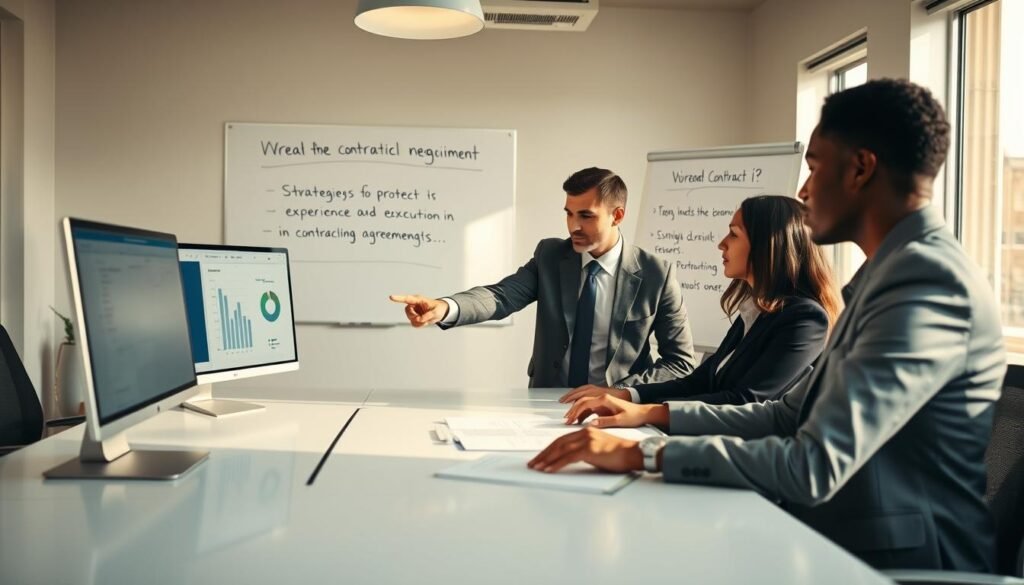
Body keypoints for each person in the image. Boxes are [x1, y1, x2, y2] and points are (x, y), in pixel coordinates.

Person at [529, 79, 1006, 572]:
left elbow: (813, 465)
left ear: (861, 168)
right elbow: (781, 416)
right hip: (839, 534)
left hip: (894, 560)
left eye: (815, 168)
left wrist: (642, 457)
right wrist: (644, 416)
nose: (802, 190)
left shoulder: (925, 284)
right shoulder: (884, 278)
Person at [390, 167, 698, 388]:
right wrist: (446, 307)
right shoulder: (551, 255)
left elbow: (680, 363)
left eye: (585, 215)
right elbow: (501, 296)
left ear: (617, 215)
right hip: (547, 404)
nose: (573, 226)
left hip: (618, 411)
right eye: (568, 213)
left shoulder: (656, 273)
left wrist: (621, 393)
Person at [559, 194, 841, 407]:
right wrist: (624, 395)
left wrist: (643, 413)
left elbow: (745, 401)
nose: (722, 243)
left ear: (769, 246)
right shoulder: (754, 313)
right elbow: (699, 382)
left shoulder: (805, 319)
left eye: (733, 234)